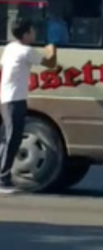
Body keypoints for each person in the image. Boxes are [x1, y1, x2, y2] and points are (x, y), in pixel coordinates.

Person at [0, 18, 58, 193]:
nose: (35, 34)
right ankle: (3, 178)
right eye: (32, 31)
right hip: (14, 99)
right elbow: (51, 63)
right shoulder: (26, 51)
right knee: (13, 138)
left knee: (11, 137)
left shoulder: (10, 48)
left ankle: (4, 176)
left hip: (6, 98)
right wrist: (52, 48)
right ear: (25, 34)